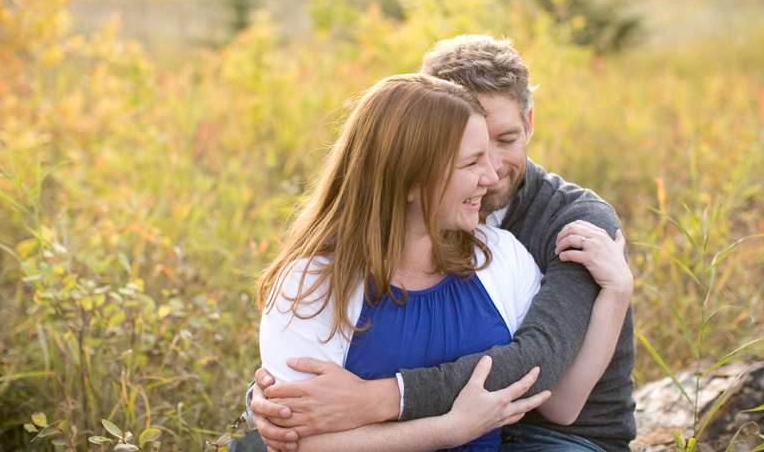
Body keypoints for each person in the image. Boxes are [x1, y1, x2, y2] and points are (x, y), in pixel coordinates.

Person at [247, 36, 636, 452]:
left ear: (529, 123)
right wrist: (273, 402)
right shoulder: (325, 274)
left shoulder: (554, 231)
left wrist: (376, 400)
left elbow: (542, 371)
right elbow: (302, 422)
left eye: (504, 141)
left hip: (555, 435)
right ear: (416, 154)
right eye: (473, 156)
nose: (492, 172)